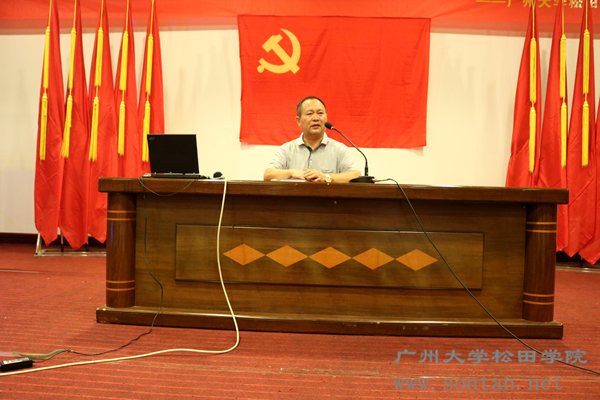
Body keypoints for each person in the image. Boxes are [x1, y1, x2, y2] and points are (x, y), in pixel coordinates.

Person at [263, 96, 361, 183]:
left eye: (320, 113)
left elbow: (355, 175)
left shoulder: (339, 149)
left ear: (326, 118)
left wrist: (327, 177)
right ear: (298, 121)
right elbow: (268, 175)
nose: (316, 118)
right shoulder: (287, 149)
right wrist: (291, 172)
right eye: (310, 114)